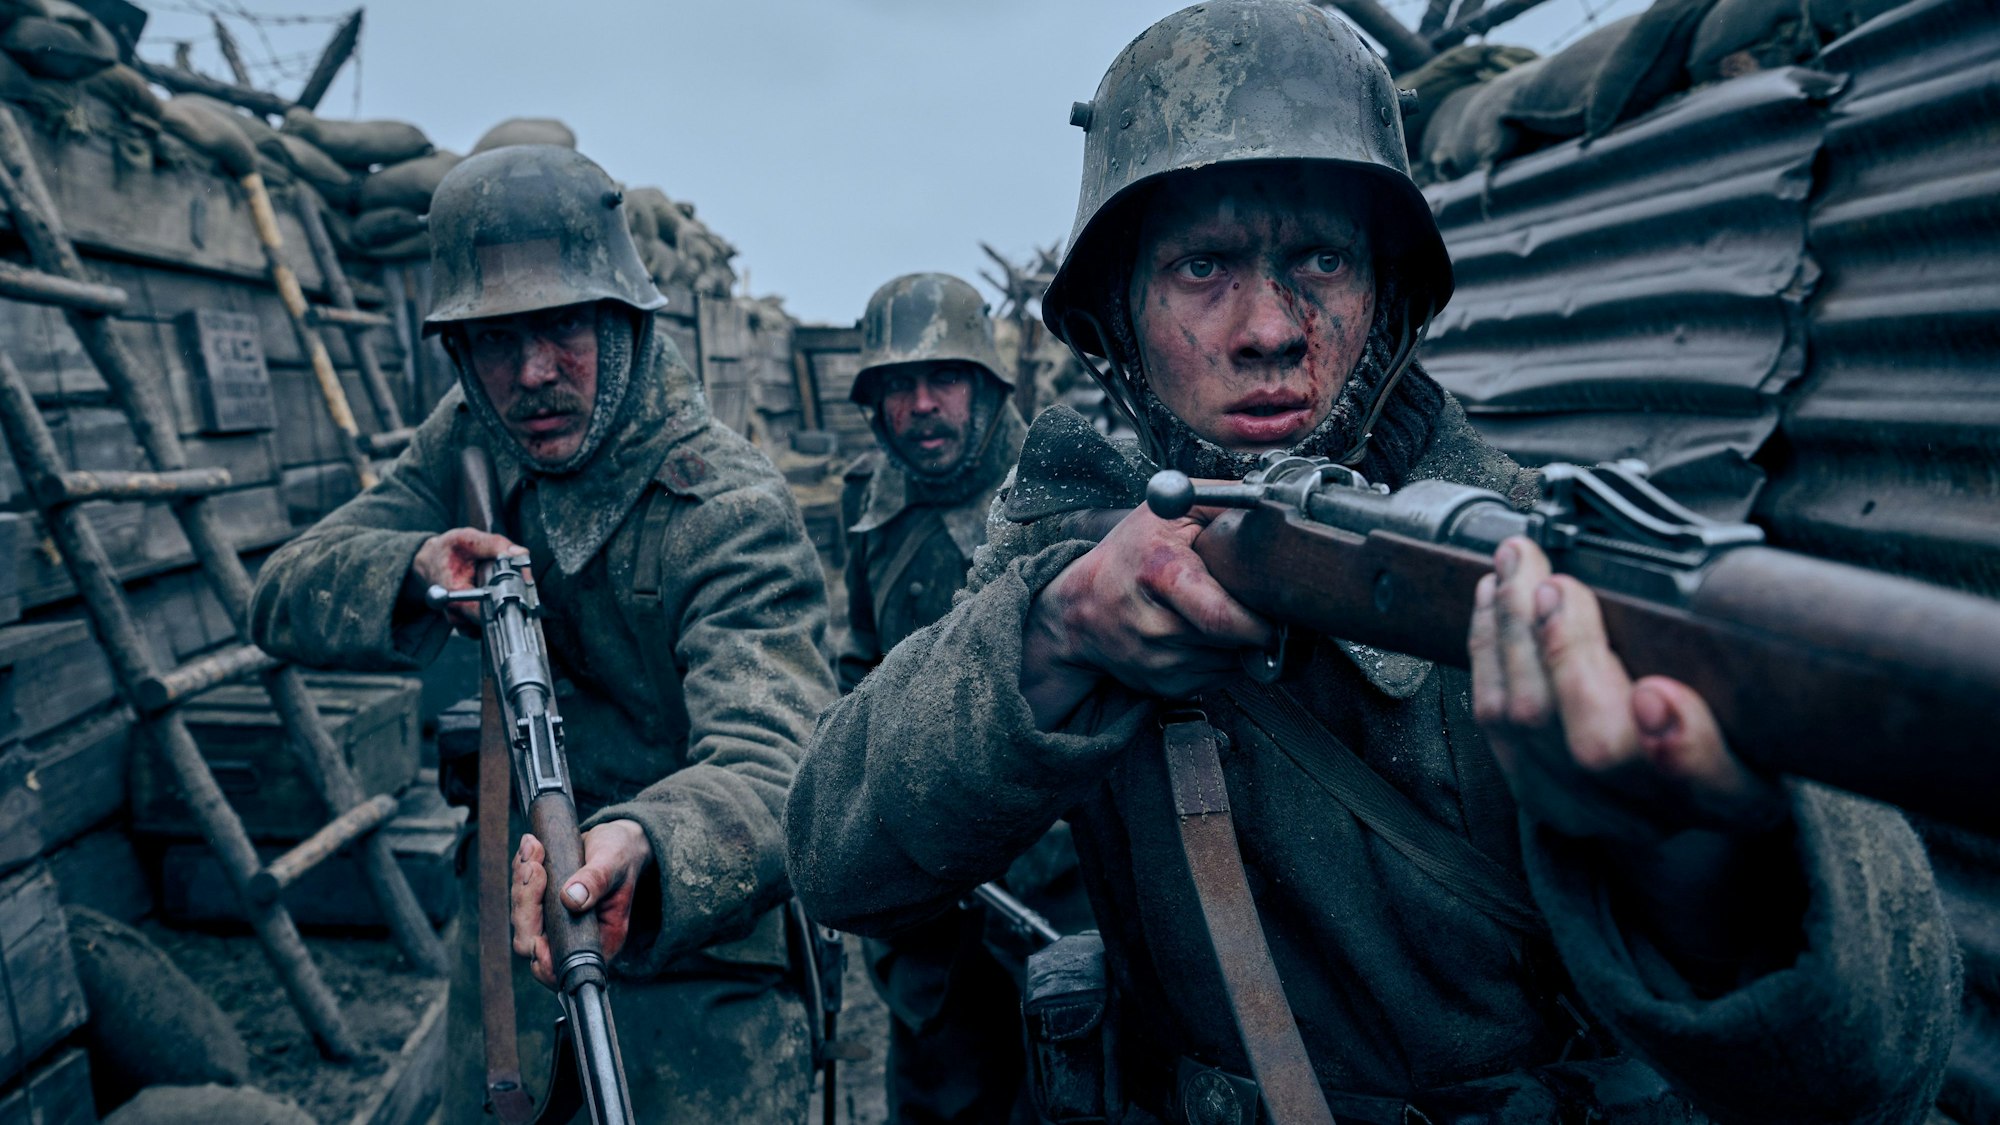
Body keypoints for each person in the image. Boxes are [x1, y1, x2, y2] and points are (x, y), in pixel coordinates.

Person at [784, 4, 1960, 1123]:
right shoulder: (1068, 553)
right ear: (1118, 321)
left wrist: (1701, 869)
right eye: (1201, 268)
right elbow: (840, 862)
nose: (1267, 328)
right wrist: (1051, 638)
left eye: (1319, 264)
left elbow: (1872, 1074)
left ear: (1386, 302)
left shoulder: (1517, 561)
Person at [251, 145, 834, 1123]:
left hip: (684, 936)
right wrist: (413, 568)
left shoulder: (728, 507)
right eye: (494, 339)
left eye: (563, 327)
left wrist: (641, 844)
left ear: (621, 318)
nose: (531, 373)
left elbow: (780, 762)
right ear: (457, 354)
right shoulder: (471, 437)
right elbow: (278, 592)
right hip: (505, 940)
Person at [835, 273, 1089, 1123]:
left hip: (1061, 885)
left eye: (942, 379)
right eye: (897, 387)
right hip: (932, 894)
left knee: (1075, 1087)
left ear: (985, 385)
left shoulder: (1059, 489)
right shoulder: (871, 512)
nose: (921, 406)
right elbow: (860, 664)